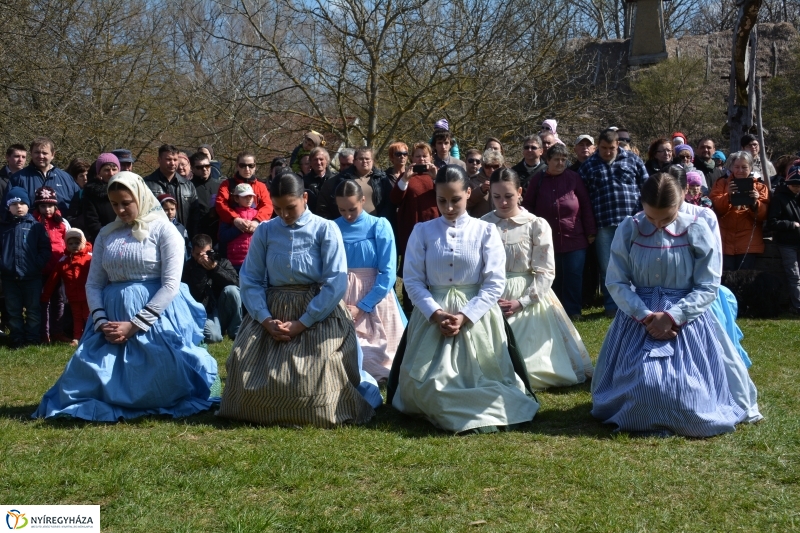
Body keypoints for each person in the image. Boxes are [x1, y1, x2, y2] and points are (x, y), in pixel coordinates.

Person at [33, 172, 219, 421]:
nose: (120, 209)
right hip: (110, 315)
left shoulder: (165, 231)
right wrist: (101, 321)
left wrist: (135, 325)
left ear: (140, 197)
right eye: (114, 204)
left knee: (164, 381)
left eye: (126, 203)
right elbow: (94, 283)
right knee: (77, 383)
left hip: (156, 316)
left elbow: (171, 284)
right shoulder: (107, 235)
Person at [591, 172, 749, 437]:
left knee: (686, 392)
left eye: (666, 217)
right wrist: (645, 315)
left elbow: (708, 284)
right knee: (642, 384)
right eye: (651, 217)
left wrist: (674, 316)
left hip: (688, 318)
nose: (659, 224)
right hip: (639, 316)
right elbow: (616, 281)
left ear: (681, 203)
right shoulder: (630, 227)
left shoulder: (697, 226)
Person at [217, 172, 379, 427]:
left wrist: (303, 322)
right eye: (278, 208)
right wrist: (265, 318)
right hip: (273, 309)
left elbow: (335, 281)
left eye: (290, 207)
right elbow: (251, 279)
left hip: (318, 311)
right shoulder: (266, 231)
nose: (283, 214)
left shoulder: (325, 228)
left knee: (320, 366)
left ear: (304, 198)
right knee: (241, 362)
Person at [388, 165, 539, 434]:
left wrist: (465, 316)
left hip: (477, 319)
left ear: (469, 193)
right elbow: (411, 280)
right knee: (431, 386)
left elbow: (494, 282)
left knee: (486, 381)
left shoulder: (485, 231)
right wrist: (435, 313)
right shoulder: (422, 231)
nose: (448, 207)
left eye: (455, 199)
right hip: (431, 316)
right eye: (441, 200)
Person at [483, 168, 593, 390]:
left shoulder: (535, 224)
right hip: (490, 294)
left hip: (528, 293)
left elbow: (545, 271)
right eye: (496, 197)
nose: (502, 203)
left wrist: (522, 301)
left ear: (520, 192)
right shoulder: (482, 225)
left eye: (508, 196)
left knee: (531, 366)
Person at [335, 180, 407, 383]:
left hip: (374, 296)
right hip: (340, 296)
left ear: (363, 200)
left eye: (352, 209)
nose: (347, 215)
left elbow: (388, 272)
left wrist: (363, 305)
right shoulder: (331, 228)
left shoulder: (379, 226)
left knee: (379, 355)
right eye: (342, 210)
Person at [522, 144, 596, 319]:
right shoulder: (537, 180)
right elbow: (528, 207)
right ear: (548, 160)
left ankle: (574, 311)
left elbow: (585, 205)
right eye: (556, 159)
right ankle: (553, 311)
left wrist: (591, 231)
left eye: (564, 159)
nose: (560, 163)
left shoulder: (574, 178)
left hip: (575, 237)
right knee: (552, 276)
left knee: (574, 276)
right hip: (547, 239)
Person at [580, 129, 649, 317]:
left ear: (617, 145)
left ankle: (637, 303)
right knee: (607, 267)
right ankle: (612, 306)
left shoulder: (633, 160)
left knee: (634, 264)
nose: (607, 152)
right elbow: (583, 198)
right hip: (604, 223)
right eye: (603, 148)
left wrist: (646, 216)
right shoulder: (588, 166)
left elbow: (646, 186)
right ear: (598, 147)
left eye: (611, 148)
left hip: (632, 222)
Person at [389, 142, 440, 315]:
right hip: (411, 230)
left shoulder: (438, 175)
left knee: (433, 267)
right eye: (417, 156)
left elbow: (446, 195)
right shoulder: (405, 176)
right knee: (412, 269)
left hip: (434, 228)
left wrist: (436, 178)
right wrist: (405, 179)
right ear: (412, 158)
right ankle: (410, 309)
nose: (421, 159)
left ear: (431, 158)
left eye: (424, 156)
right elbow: (395, 199)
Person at [0, 187, 51, 348]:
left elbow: (45, 249)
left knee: (33, 310)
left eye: (22, 203)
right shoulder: (3, 227)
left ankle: (32, 338)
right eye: (14, 204)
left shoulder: (36, 227)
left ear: (29, 205)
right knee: (13, 311)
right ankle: (16, 338)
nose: (19, 207)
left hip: (32, 277)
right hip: (9, 277)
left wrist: (36, 265)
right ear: (8, 207)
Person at [709, 151, 769, 271]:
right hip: (724, 242)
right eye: (737, 167)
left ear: (751, 168)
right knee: (726, 282)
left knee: (744, 282)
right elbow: (716, 210)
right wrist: (728, 196)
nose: (740, 170)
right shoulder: (721, 183)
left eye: (744, 167)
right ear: (731, 167)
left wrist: (755, 203)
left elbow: (763, 215)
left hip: (748, 243)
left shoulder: (760, 186)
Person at [182, 234, 242, 343]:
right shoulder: (188, 267)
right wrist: (200, 270)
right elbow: (194, 296)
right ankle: (218, 330)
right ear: (192, 253)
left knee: (232, 290)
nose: (202, 257)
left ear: (211, 251)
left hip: (223, 307)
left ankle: (235, 331)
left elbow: (236, 284)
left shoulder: (223, 262)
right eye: (198, 254)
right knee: (214, 337)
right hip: (204, 311)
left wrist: (215, 269)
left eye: (206, 253)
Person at [41, 228, 93, 347]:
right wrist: (45, 296)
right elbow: (52, 280)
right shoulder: (63, 261)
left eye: (77, 243)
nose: (74, 246)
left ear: (83, 242)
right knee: (76, 318)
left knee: (88, 316)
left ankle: (91, 336)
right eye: (70, 243)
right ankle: (76, 338)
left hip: (88, 295)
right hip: (72, 297)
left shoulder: (91, 258)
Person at [33, 186, 70, 343]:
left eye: (50, 205)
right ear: (38, 206)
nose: (47, 209)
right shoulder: (34, 223)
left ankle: (57, 332)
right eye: (43, 205)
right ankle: (44, 334)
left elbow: (69, 242)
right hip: (41, 269)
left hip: (58, 269)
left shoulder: (62, 223)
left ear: (55, 206)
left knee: (59, 301)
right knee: (43, 302)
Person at [317, 147, 393, 221]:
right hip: (348, 224)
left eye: (367, 159)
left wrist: (381, 221)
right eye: (361, 159)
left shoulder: (382, 179)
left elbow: (389, 203)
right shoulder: (341, 180)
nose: (364, 161)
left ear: (372, 161)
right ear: (354, 161)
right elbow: (328, 205)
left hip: (375, 224)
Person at [214, 151, 273, 244]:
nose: (247, 169)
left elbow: (267, 206)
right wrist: (235, 219)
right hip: (232, 234)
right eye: (243, 165)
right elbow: (221, 204)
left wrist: (257, 221)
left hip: (254, 235)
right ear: (237, 166)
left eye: (251, 165)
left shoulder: (261, 186)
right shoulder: (227, 184)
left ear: (255, 167)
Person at [10, 137, 80, 213]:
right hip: (30, 224)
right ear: (31, 153)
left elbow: (80, 205)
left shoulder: (66, 178)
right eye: (37, 152)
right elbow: (7, 208)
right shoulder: (18, 178)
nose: (40, 156)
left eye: (44, 153)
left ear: (53, 154)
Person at [144, 144, 199, 235]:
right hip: (156, 236)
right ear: (159, 160)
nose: (173, 163)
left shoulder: (188, 185)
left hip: (184, 236)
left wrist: (194, 238)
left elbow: (195, 216)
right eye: (168, 159)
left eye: (175, 159)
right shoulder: (147, 183)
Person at [767, 163, 800, 314]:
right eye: (794, 185)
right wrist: (791, 224)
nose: (797, 188)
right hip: (787, 243)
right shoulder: (779, 198)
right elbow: (772, 222)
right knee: (794, 275)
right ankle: (797, 305)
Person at [80, 153, 121, 243]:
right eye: (106, 170)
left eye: (114, 169)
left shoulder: (126, 189)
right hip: (103, 240)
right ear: (99, 172)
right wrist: (109, 237)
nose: (111, 173)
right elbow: (92, 222)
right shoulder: (91, 193)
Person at [218, 183, 257, 272]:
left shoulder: (257, 215)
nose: (248, 199)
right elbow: (222, 236)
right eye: (245, 196)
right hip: (235, 262)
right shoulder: (229, 215)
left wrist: (255, 229)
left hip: (254, 261)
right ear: (236, 198)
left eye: (250, 196)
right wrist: (238, 228)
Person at [189, 151, 222, 245]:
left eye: (207, 166)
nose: (204, 169)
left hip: (218, 236)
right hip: (196, 236)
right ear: (192, 169)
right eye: (199, 167)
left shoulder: (220, 186)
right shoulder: (188, 187)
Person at [467, 149, 501, 218]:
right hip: (479, 223)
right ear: (482, 165)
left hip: (501, 223)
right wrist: (480, 190)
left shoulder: (507, 180)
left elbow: (518, 200)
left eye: (495, 166)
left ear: (500, 166)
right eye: (488, 166)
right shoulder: (472, 181)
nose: (492, 170)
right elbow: (465, 204)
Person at [158, 194, 191, 259]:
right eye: (166, 210)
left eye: (172, 209)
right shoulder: (156, 229)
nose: (170, 212)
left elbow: (187, 247)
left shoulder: (181, 228)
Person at [304, 147, 334, 214]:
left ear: (327, 161)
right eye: (315, 160)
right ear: (310, 162)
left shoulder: (335, 179)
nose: (318, 162)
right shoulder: (304, 181)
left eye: (321, 159)